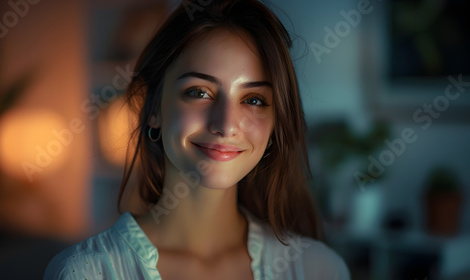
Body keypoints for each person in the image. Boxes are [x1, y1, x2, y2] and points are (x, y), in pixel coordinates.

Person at [44, 0, 350, 279]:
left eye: (254, 99)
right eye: (199, 93)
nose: (226, 124)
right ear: (151, 110)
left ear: (275, 123)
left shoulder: (320, 269)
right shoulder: (84, 273)